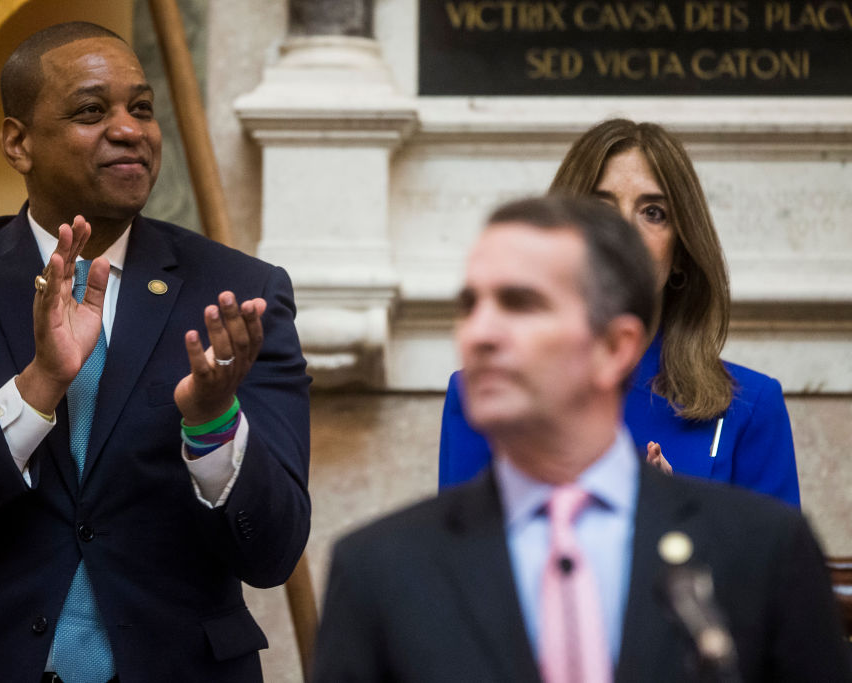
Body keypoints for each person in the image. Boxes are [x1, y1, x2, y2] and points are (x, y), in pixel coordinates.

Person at [0, 22, 310, 682]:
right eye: (93, 111)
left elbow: (273, 551)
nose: (130, 130)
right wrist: (34, 390)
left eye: (142, 108)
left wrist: (213, 425)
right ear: (18, 142)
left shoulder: (239, 297)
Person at [313, 196, 850, 682]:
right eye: (470, 305)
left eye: (521, 303)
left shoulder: (762, 550)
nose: (480, 333)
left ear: (615, 348)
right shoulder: (377, 570)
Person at [439, 119, 800, 507]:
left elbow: (772, 566)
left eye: (654, 212)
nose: (625, 232)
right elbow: (460, 562)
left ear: (680, 253)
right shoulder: (483, 395)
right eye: (600, 208)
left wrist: (678, 522)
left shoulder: (750, 408)